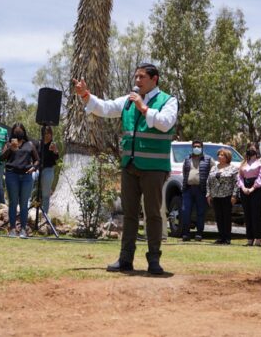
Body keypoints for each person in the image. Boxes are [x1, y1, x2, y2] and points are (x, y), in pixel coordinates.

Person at [73, 63, 177, 275]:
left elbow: (165, 123)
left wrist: (144, 108)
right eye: (136, 77)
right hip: (130, 166)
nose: (137, 81)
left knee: (153, 214)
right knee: (129, 214)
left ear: (154, 79)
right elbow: (105, 108)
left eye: (142, 77)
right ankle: (125, 258)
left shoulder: (169, 101)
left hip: (154, 168)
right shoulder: (128, 100)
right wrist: (85, 95)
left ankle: (154, 260)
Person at [1, 123, 39, 238]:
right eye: (16, 131)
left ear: (24, 132)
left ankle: (23, 229)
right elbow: (1, 157)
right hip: (12, 175)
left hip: (26, 177)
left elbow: (37, 160)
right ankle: (12, 229)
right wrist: (10, 149)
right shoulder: (8, 144)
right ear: (13, 132)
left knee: (23, 204)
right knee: (13, 203)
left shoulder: (30, 144)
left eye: (20, 130)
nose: (18, 132)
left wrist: (34, 168)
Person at [180, 140, 213, 242]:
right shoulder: (187, 159)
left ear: (202, 147)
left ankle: (199, 234)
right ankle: (185, 234)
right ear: (192, 147)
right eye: (194, 146)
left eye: (198, 146)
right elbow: (184, 172)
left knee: (201, 212)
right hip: (188, 189)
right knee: (185, 211)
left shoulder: (208, 159)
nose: (196, 148)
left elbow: (213, 172)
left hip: (201, 189)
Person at [207, 148, 239, 245]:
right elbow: (208, 182)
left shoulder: (233, 168)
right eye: (219, 155)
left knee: (226, 217)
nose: (220, 157)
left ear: (227, 157)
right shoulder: (214, 168)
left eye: (222, 155)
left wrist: (234, 195)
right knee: (219, 217)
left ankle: (227, 238)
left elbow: (236, 183)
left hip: (227, 196)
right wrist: (208, 194)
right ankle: (220, 237)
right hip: (215, 196)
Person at [238, 144, 261, 247]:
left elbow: (260, 177)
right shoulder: (244, 163)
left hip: (256, 189)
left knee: (255, 214)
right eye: (249, 149)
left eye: (253, 149)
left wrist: (253, 188)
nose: (250, 151)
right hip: (245, 188)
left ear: (257, 151)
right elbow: (239, 177)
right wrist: (243, 187)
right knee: (247, 214)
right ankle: (250, 238)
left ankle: (258, 238)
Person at [39, 125, 60, 216]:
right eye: (45, 133)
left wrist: (55, 150)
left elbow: (56, 158)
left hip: (48, 170)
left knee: (45, 194)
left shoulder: (52, 144)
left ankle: (45, 214)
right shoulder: (39, 144)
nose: (47, 135)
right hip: (37, 169)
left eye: (49, 133)